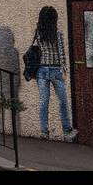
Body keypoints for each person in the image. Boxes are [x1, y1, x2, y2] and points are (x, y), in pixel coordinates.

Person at [31, 8, 78, 143]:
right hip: (56, 69)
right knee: (62, 101)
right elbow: (62, 53)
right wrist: (64, 69)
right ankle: (67, 130)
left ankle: (44, 131)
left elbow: (36, 51)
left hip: (42, 70)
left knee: (43, 102)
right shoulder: (57, 34)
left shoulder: (38, 34)